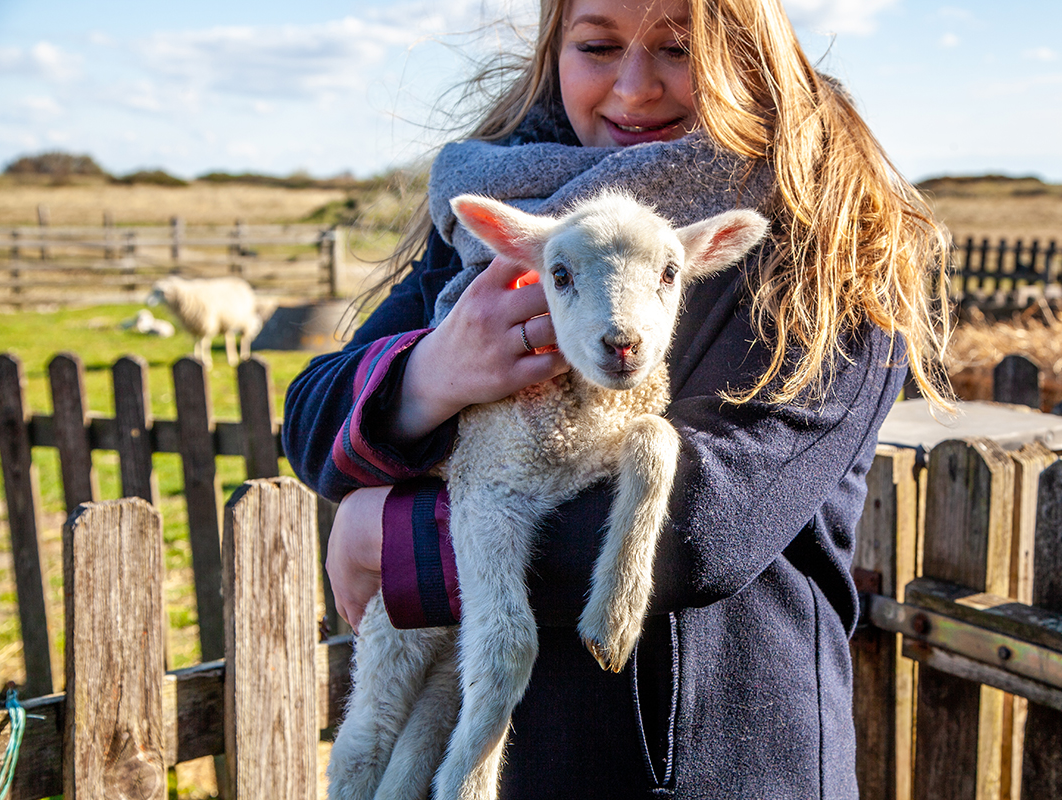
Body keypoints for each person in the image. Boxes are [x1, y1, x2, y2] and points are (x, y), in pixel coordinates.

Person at [282, 0, 951, 796]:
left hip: (709, 762)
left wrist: (404, 541)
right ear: (552, 51)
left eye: (678, 49)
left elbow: (711, 525)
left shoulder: (824, 244)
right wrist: (436, 371)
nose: (634, 90)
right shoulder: (508, 211)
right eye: (598, 45)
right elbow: (311, 423)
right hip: (511, 760)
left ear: (751, 55)